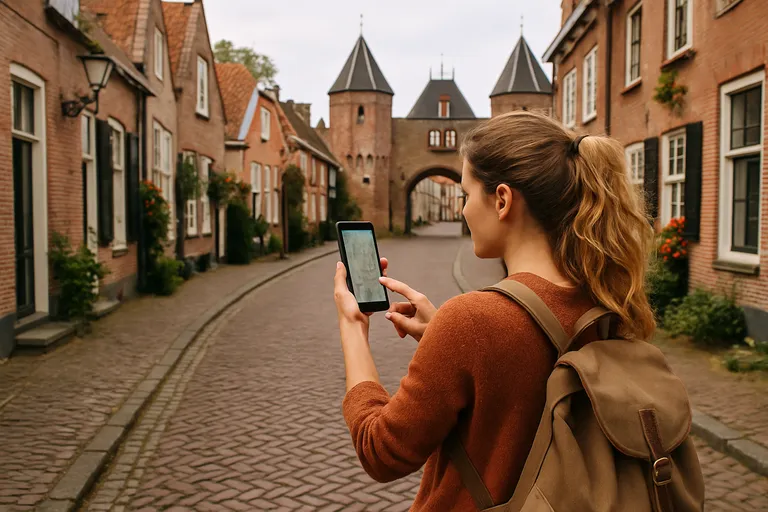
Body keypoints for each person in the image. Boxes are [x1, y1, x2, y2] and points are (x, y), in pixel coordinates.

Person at [332, 110, 655, 510]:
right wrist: (442, 336)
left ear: (501, 200)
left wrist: (353, 326)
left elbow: (381, 450)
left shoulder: (473, 321)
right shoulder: (609, 303)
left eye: (467, 194)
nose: (465, 211)